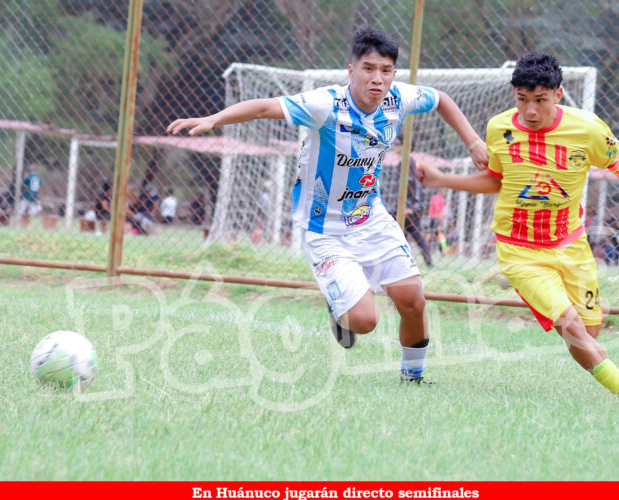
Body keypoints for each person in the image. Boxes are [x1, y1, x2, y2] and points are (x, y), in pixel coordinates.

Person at [168, 27, 488, 384]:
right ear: (351, 70)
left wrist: (473, 141)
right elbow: (263, 107)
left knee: (413, 300)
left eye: (385, 70)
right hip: (325, 230)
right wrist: (214, 119)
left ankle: (413, 380)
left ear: (394, 74)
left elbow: (441, 98)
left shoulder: (399, 98)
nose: (377, 79)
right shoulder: (325, 104)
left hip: (370, 219)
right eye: (368, 68)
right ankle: (342, 312)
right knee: (365, 321)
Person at [416, 52, 619, 402]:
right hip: (519, 250)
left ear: (558, 95)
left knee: (588, 331)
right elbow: (496, 180)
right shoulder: (499, 129)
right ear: (514, 95)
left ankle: (570, 328)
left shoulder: (589, 130)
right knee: (571, 326)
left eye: (540, 100)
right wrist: (445, 179)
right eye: (522, 100)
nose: (530, 111)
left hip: (571, 245)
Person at [384, 132, 434, 267]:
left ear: (406, 146)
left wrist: (407, 207)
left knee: (408, 235)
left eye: (397, 144)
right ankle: (408, 262)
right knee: (407, 235)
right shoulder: (405, 162)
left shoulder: (407, 163)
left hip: (408, 208)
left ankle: (415, 262)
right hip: (405, 207)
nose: (394, 147)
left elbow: (410, 187)